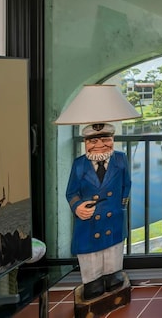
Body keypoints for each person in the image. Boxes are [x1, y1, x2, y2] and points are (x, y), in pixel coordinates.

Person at [65, 123, 131, 301]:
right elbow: (71, 192)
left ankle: (113, 275)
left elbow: (126, 184)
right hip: (89, 218)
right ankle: (92, 281)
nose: (100, 145)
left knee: (113, 249)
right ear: (85, 142)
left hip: (113, 215)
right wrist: (77, 207)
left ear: (113, 140)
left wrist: (121, 206)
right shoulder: (79, 165)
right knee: (90, 253)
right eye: (93, 141)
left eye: (105, 139)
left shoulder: (120, 159)